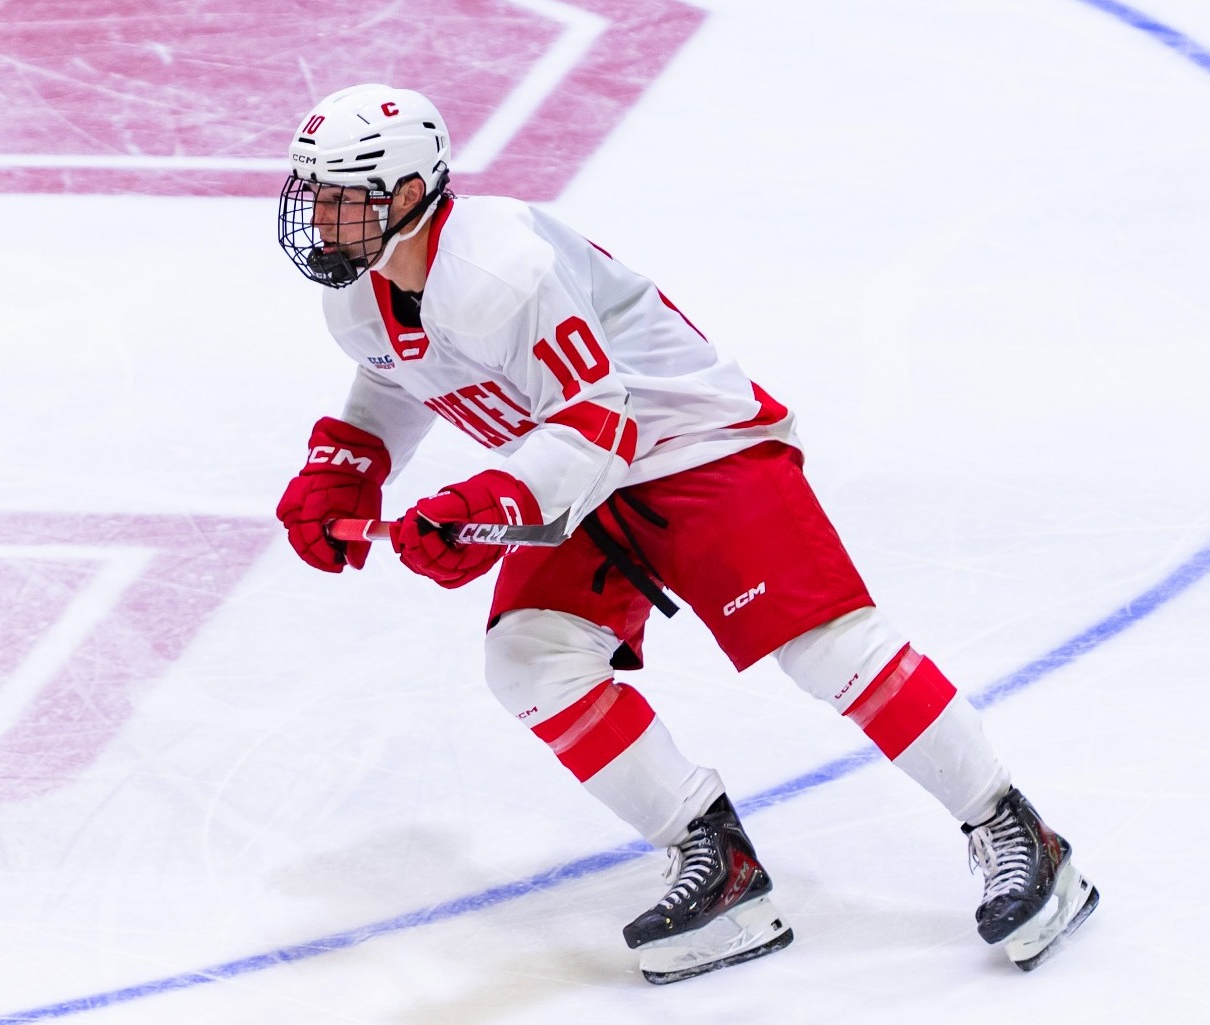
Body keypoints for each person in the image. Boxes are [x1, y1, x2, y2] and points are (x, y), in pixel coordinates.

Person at [272, 83, 1098, 983]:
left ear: (408, 196)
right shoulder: (363, 292)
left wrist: (488, 505)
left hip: (689, 444)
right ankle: (717, 859)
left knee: (826, 645)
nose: (320, 217)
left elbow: (600, 417)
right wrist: (347, 463)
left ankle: (1014, 826)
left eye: (343, 196)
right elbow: (400, 374)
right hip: (581, 466)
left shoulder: (498, 267)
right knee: (530, 657)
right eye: (313, 192)